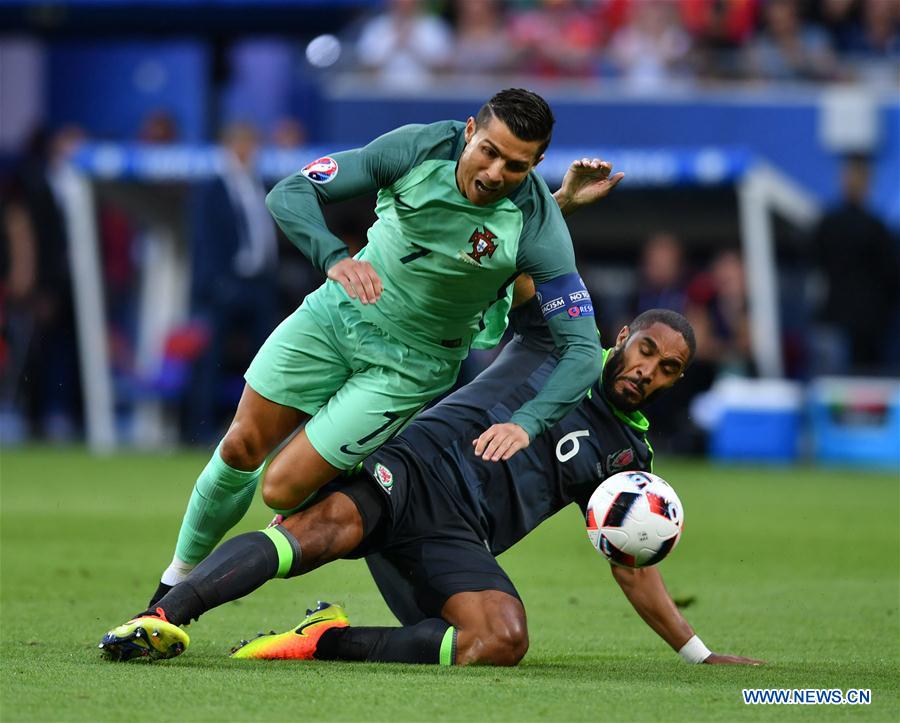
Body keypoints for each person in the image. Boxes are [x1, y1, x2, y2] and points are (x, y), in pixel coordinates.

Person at [100, 291, 762, 668]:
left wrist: (698, 654)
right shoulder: (561, 341)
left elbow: (632, 562)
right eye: (647, 349)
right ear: (624, 336)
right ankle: (161, 616)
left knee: (501, 637)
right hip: (418, 466)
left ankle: (319, 641)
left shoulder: (629, 459)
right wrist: (561, 201)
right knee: (321, 528)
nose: (650, 370)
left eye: (669, 368)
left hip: (456, 540)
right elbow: (526, 254)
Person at [149, 89, 623, 612]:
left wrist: (527, 422)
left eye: (515, 165)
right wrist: (333, 257)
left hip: (410, 365)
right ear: (469, 131)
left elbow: (582, 351)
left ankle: (371, 490)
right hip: (337, 314)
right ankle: (170, 589)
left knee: (282, 490)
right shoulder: (417, 149)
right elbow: (290, 192)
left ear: (535, 165)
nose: (493, 172)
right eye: (488, 150)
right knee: (240, 448)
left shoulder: (539, 227)